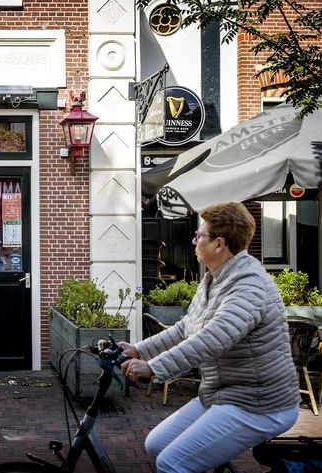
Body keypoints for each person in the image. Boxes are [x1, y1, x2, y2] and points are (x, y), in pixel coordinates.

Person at [120, 202, 299, 473]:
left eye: (198, 235)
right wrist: (138, 350)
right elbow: (185, 329)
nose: (193, 240)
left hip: (258, 403)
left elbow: (213, 338)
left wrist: (155, 368)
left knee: (172, 463)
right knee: (156, 445)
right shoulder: (213, 280)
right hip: (222, 393)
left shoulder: (248, 285)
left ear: (219, 243)